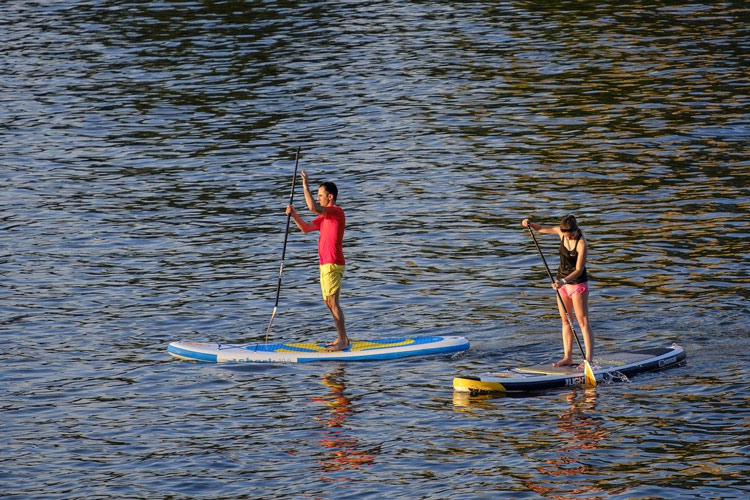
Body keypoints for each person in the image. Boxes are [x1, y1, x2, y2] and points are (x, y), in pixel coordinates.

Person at [286, 170, 349, 351]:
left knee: (332, 301)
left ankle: (342, 340)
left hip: (333, 262)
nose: (318, 198)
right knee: (328, 302)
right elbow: (306, 228)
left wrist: (305, 185)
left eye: (320, 195)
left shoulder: (336, 212)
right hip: (325, 264)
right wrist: (294, 215)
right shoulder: (324, 217)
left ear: (330, 197)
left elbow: (312, 207)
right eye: (318, 195)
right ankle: (342, 338)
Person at [522, 215, 594, 368]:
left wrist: (564, 281)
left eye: (571, 235)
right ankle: (567, 357)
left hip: (577, 284)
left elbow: (579, 269)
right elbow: (541, 228)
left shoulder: (582, 243)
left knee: (582, 321)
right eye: (567, 236)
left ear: (575, 230)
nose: (569, 237)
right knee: (566, 321)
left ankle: (588, 359)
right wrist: (530, 224)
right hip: (561, 284)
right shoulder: (561, 232)